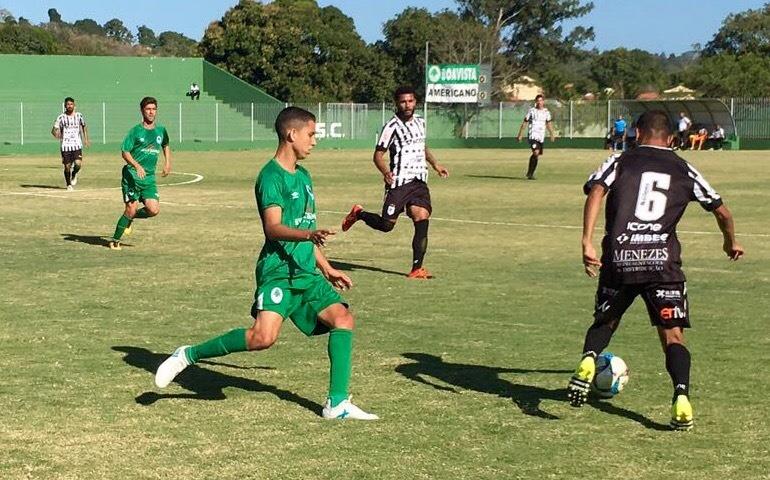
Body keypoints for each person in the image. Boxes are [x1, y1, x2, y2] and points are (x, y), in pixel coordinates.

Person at [155, 106, 378, 420]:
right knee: (263, 338)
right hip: (278, 272)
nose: (315, 141)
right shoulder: (270, 177)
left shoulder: (304, 175)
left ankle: (337, 403)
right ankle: (188, 354)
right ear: (292, 134)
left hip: (306, 273)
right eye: (311, 134)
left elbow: (305, 227)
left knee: (343, 319)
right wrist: (307, 234)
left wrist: (326, 268)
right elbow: (273, 229)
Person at [566, 110, 744, 431]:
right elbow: (723, 212)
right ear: (672, 138)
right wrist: (730, 243)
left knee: (607, 319)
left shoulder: (619, 160)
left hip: (620, 257)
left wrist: (586, 241)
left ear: (636, 132)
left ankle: (589, 358)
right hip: (663, 264)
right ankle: (681, 397)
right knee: (673, 336)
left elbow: (595, 191)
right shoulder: (684, 168)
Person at [340, 85, 448, 279]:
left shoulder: (421, 123)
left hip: (419, 181)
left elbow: (422, 146)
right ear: (397, 104)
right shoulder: (392, 126)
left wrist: (435, 164)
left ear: (415, 102)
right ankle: (359, 213)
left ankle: (417, 268)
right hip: (399, 182)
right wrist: (385, 172)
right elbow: (378, 155)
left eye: (411, 101)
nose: (407, 105)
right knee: (386, 225)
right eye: (403, 101)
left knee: (422, 218)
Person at [108, 97, 171, 250]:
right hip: (131, 176)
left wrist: (168, 162)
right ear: (142, 111)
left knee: (154, 210)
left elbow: (165, 144)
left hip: (148, 178)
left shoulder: (161, 130)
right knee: (130, 208)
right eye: (148, 109)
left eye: (154, 109)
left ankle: (131, 217)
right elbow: (125, 152)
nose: (151, 112)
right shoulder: (135, 131)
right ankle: (114, 240)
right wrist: (136, 166)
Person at [51, 97, 89, 191]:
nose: (69, 106)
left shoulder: (79, 116)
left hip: (77, 144)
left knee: (78, 164)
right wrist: (56, 134)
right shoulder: (61, 118)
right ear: (65, 106)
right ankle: (68, 185)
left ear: (74, 105)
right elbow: (53, 130)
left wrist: (86, 139)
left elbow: (84, 126)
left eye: (71, 104)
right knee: (67, 166)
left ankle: (74, 174)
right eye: (68, 104)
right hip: (65, 145)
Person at [517, 94, 556, 179]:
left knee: (536, 155)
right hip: (533, 135)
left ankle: (530, 173)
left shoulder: (546, 112)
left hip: (540, 136)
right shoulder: (531, 111)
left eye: (541, 101)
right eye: (538, 101)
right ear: (536, 102)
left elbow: (548, 123)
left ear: (543, 102)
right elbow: (525, 122)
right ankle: (530, 173)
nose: (539, 103)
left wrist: (552, 134)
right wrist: (520, 134)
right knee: (536, 152)